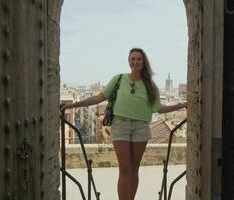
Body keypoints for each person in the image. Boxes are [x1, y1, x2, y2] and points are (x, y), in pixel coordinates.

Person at [61, 48, 187, 200]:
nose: (136, 62)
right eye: (133, 59)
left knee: (134, 169)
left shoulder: (150, 86)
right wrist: (72, 106)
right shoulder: (119, 79)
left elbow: (159, 109)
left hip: (141, 127)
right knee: (125, 168)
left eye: (139, 59)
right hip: (120, 125)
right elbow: (98, 98)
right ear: (129, 61)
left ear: (143, 62)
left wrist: (180, 105)